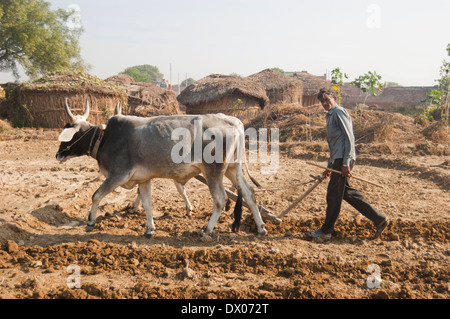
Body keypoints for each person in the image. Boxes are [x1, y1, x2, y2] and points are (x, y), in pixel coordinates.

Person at [306, 88, 389, 240]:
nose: (324, 103)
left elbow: (349, 138)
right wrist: (329, 166)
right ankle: (379, 219)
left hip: (344, 159)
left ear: (335, 98)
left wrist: (345, 163)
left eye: (327, 100)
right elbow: (334, 144)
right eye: (322, 101)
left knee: (333, 194)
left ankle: (326, 231)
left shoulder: (339, 112)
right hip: (337, 159)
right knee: (345, 193)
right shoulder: (330, 116)